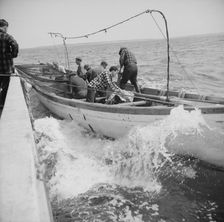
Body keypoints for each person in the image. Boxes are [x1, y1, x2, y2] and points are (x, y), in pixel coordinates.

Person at [0, 19, 19, 107]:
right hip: (6, 68)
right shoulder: (6, 36)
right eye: (6, 28)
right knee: (5, 87)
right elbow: (15, 44)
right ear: (4, 27)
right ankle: (1, 104)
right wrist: (13, 55)